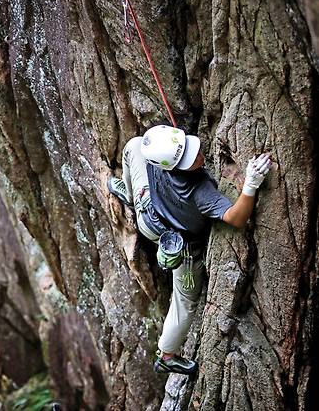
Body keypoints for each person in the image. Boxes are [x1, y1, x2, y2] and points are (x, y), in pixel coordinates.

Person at [107, 124, 272, 375]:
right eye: (188, 158)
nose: (198, 155)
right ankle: (167, 356)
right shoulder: (199, 190)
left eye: (189, 149)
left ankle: (129, 196)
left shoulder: (156, 157)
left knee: (134, 145)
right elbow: (236, 218)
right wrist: (250, 184)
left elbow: (150, 145)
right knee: (185, 301)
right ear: (174, 166)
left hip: (148, 213)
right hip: (179, 242)